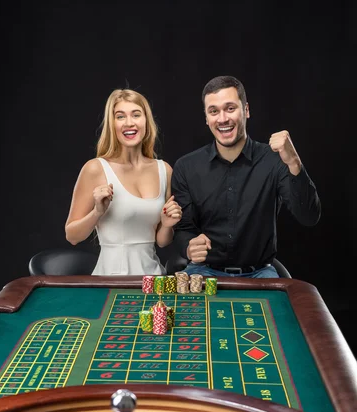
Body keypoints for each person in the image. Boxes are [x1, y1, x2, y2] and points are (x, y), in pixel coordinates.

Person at [172, 75, 321, 278]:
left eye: (230, 108)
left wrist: (294, 162)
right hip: (203, 271)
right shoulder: (186, 167)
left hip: (260, 273)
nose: (223, 118)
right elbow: (183, 229)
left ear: (246, 110)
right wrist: (189, 248)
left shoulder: (275, 160)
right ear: (206, 118)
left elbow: (309, 216)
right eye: (214, 111)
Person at [65, 88, 182, 275]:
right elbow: (72, 236)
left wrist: (167, 224)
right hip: (109, 280)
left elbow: (162, 241)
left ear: (146, 121)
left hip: (152, 277)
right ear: (112, 124)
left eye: (136, 115)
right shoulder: (95, 168)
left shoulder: (164, 170)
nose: (129, 123)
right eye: (120, 116)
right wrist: (97, 212)